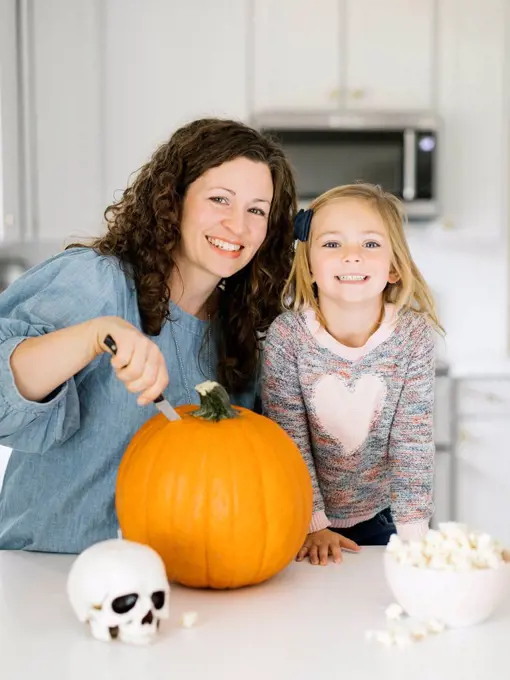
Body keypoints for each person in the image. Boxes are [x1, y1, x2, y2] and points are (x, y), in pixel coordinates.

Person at [0, 118, 297, 553]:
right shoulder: (97, 282)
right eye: (220, 200)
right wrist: (95, 335)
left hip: (174, 585)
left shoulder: (238, 334)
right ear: (174, 201)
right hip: (49, 573)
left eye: (256, 210)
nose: (238, 225)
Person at [262, 183, 443, 566]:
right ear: (309, 264)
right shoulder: (287, 338)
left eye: (371, 244)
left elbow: (412, 444)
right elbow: (289, 440)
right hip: (303, 519)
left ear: (394, 267)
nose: (351, 257)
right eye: (332, 245)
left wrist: (415, 538)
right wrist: (312, 524)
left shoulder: (412, 338)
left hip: (385, 517)